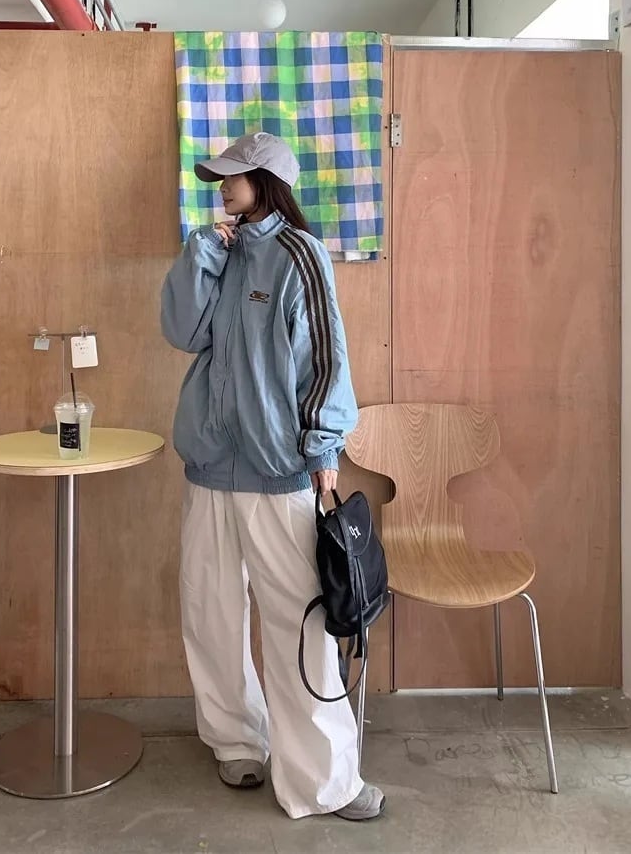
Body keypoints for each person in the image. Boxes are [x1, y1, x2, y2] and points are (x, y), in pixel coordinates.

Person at [161, 130, 386, 821]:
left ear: (268, 181)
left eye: (234, 175)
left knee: (299, 625)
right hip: (209, 465)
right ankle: (236, 741)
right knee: (210, 611)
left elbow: (325, 360)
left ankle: (325, 780)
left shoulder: (300, 255)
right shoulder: (222, 250)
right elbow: (181, 332)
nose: (222, 186)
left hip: (280, 471)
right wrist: (203, 253)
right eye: (221, 177)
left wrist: (323, 454)